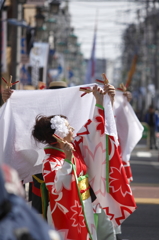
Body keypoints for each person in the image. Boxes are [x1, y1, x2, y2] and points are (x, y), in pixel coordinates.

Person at [32, 84, 116, 240]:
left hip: (84, 205)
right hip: (68, 210)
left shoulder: (75, 146)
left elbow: (95, 132)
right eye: (69, 128)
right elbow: (58, 188)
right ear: (59, 136)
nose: (73, 130)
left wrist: (102, 102)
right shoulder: (50, 161)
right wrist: (68, 160)